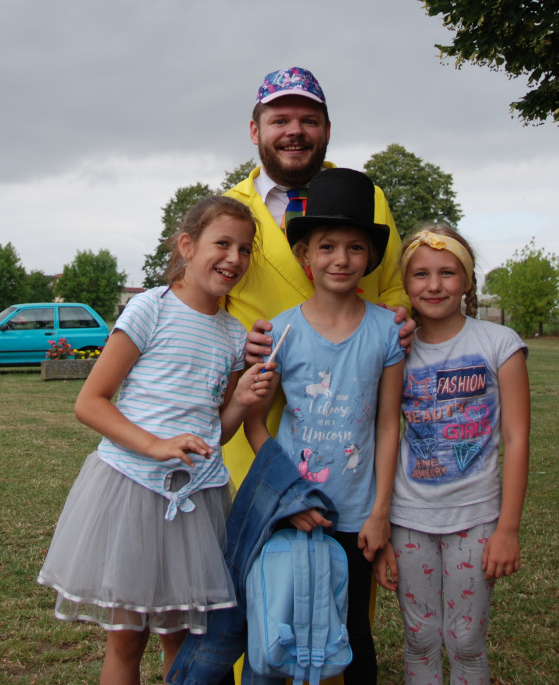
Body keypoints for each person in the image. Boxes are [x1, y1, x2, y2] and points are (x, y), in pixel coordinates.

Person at [36, 196, 278, 684]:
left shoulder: (233, 335)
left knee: (182, 639)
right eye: (223, 244)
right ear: (187, 246)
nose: (234, 258)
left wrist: (242, 400)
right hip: (131, 491)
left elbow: (217, 429)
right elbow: (91, 402)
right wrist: (155, 445)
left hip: (195, 503)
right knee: (126, 640)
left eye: (245, 249)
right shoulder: (150, 309)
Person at [244, 168, 405, 683]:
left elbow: (386, 424)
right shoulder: (281, 331)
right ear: (304, 256)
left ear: (371, 258)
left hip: (356, 517)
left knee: (353, 633)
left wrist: (380, 513)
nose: (341, 259)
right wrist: (289, 500)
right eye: (327, 246)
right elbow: (255, 425)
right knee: (285, 632)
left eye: (355, 248)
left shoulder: (387, 331)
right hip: (291, 514)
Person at [221, 65, 411, 487]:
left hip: (349, 423)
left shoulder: (370, 198)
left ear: (327, 130)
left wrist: (396, 318)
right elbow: (202, 305)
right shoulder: (226, 212)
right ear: (255, 131)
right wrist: (237, 340)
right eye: (280, 121)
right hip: (256, 426)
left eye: (309, 121)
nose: (296, 131)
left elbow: (397, 283)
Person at [381, 225, 530, 684]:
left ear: (466, 280)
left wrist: (507, 528)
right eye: (420, 274)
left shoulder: (499, 343)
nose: (434, 285)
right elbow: (383, 432)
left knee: (465, 641)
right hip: (409, 517)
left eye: (447, 273)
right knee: (420, 637)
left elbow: (518, 437)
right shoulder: (394, 349)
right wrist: (382, 523)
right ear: (406, 283)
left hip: (477, 517)